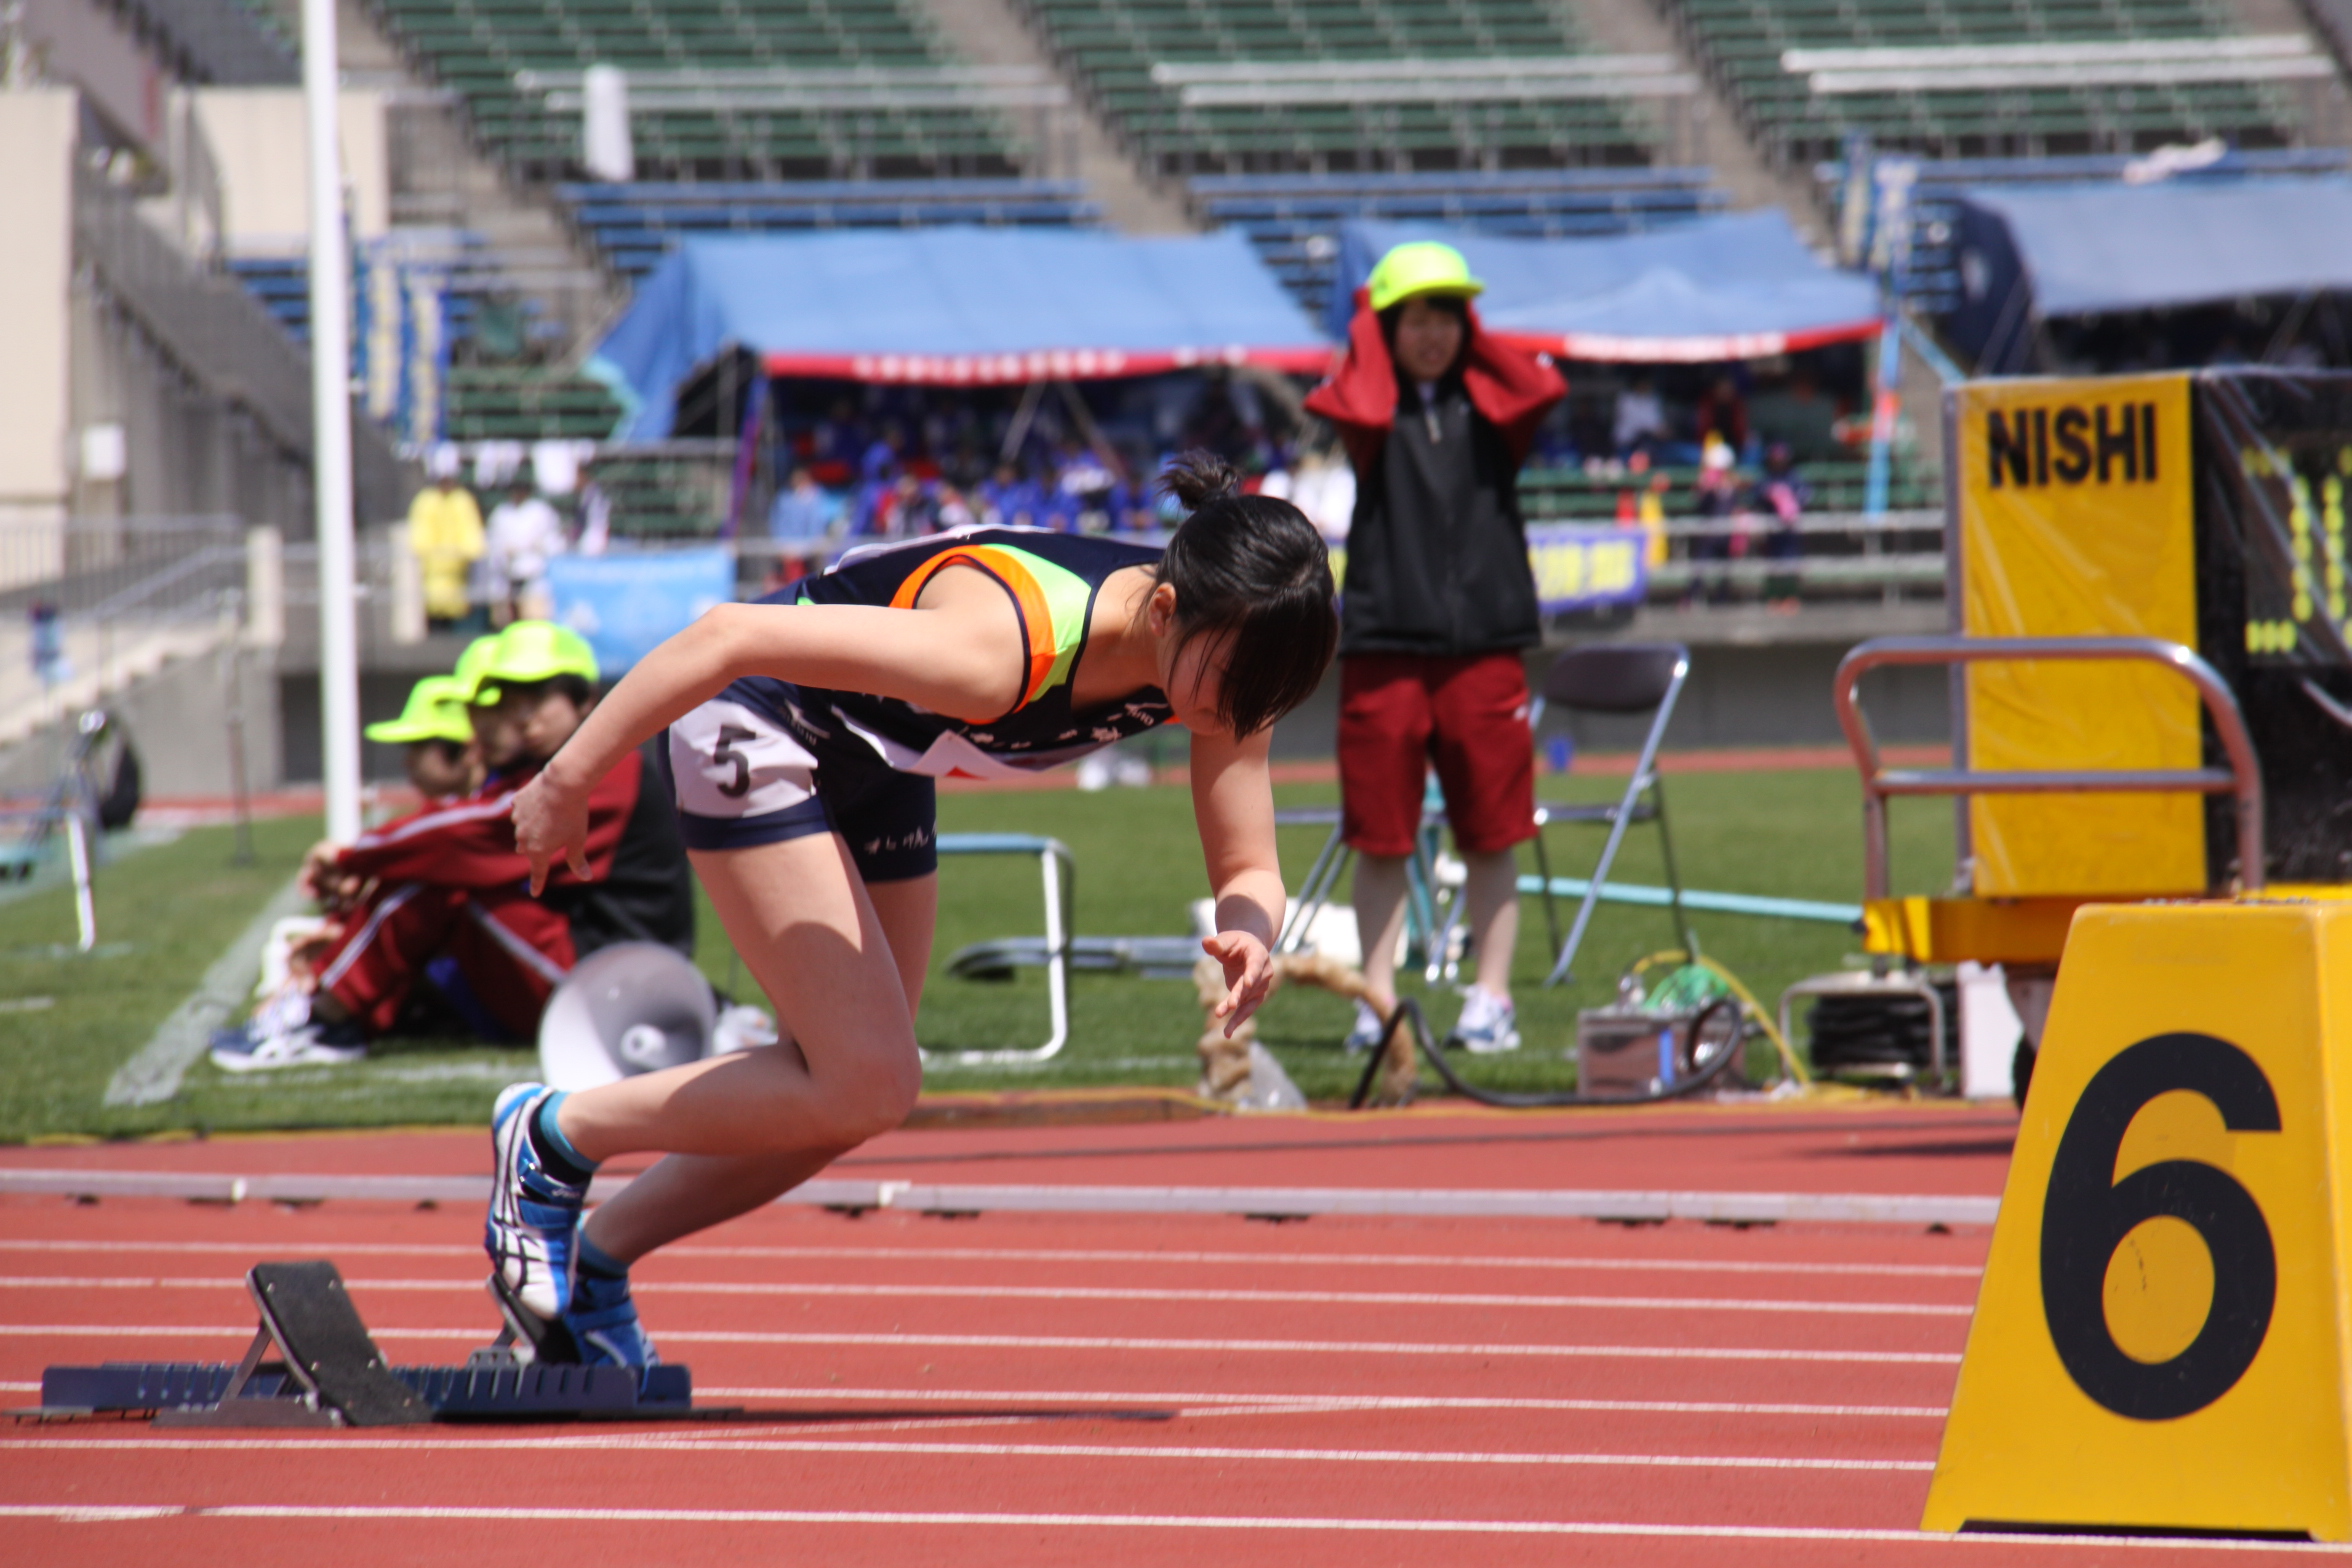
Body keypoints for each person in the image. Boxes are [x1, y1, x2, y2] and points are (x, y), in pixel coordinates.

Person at [482, 454, 1336, 1367]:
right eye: (1237, 688)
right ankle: (551, 1135)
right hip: (759, 717)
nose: (1244, 716)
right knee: (869, 1076)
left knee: (851, 1097)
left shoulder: (1227, 649)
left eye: (1268, 697)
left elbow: (1248, 860)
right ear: (1163, 614)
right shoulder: (1001, 650)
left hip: (884, 756)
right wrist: (569, 776)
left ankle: (597, 1264)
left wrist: (1249, 931)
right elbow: (727, 634)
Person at [208, 624, 694, 1071]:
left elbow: (475, 834)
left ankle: (324, 1017)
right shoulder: (553, 768)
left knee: (441, 881)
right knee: (440, 875)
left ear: (585, 701)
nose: (518, 715)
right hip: (595, 973)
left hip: (619, 983)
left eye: (537, 696)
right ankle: (336, 1009)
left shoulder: (609, 768)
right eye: (509, 698)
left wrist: (352, 854)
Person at [1304, 241, 1565, 1056]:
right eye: (1418, 317)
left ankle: (1491, 999)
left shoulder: (1492, 406)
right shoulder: (1372, 412)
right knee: (1380, 835)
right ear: (1386, 326)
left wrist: (1466, 330)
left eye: (1449, 316)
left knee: (1492, 831)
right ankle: (1374, 1002)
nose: (1436, 333)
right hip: (1387, 645)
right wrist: (1373, 326)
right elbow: (1351, 395)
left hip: (1485, 645)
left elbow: (1539, 383)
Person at [366, 674, 484, 803]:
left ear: (470, 751)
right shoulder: (454, 811)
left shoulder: (505, 808)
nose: (407, 762)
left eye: (419, 746)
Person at [407, 452, 486, 631]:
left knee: (460, 618)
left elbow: (471, 535)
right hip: (433, 574)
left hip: (458, 575)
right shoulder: (426, 500)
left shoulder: (462, 500)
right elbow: (420, 536)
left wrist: (461, 554)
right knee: (435, 619)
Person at [485, 477, 569, 625]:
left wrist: (537, 548)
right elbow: (493, 541)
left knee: (535, 618)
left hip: (534, 571)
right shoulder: (502, 512)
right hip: (507, 573)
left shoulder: (540, 511)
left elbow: (554, 541)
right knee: (505, 619)